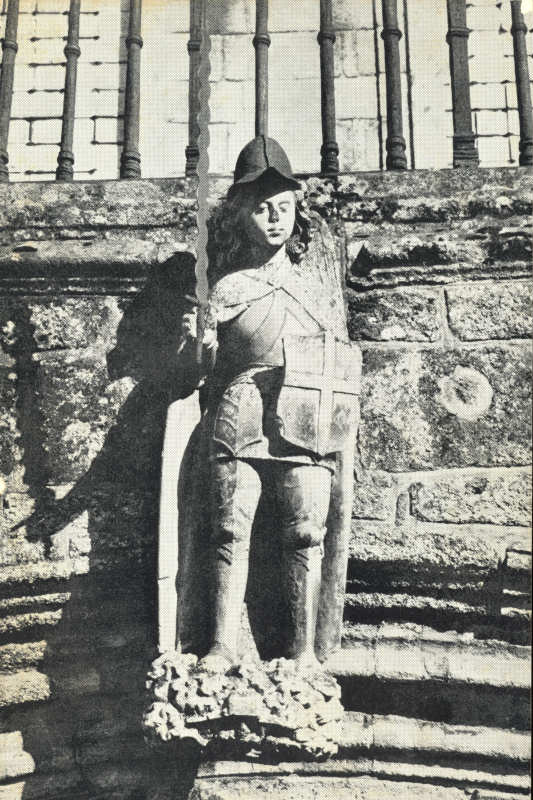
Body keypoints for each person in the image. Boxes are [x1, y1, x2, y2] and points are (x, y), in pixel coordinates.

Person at [179, 136, 360, 671]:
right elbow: (197, 374)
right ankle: (220, 643)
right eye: (261, 208)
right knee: (228, 530)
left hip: (305, 419)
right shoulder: (228, 288)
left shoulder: (317, 291)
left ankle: (302, 651)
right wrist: (200, 344)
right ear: (241, 216)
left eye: (283, 206)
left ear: (297, 210)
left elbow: (338, 365)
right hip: (240, 413)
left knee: (306, 533)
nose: (275, 218)